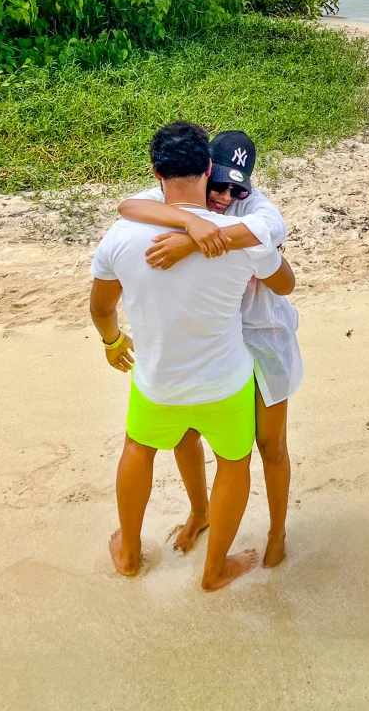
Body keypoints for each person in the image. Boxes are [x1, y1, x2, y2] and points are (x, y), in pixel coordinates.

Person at [90, 122, 295, 591]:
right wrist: (248, 247)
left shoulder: (122, 236)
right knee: (234, 461)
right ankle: (214, 569)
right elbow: (285, 284)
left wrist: (113, 342)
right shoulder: (239, 234)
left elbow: (101, 308)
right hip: (225, 382)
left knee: (138, 449)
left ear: (155, 171)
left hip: (158, 380)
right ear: (208, 168)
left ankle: (128, 554)